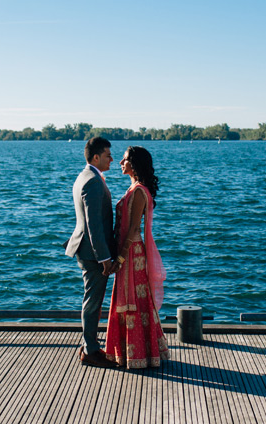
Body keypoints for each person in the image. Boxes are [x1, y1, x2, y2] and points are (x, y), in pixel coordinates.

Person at [104, 146, 170, 368]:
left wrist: (120, 259)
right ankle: (127, 351)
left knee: (134, 300)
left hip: (132, 254)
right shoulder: (132, 188)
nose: (120, 163)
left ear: (135, 164)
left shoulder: (140, 191)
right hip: (127, 252)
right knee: (127, 299)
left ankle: (140, 353)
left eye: (124, 160)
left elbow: (133, 230)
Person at [64, 136, 118, 368]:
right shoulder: (93, 182)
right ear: (96, 157)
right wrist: (104, 258)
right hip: (92, 252)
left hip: (86, 248)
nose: (112, 159)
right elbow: (94, 224)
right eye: (108, 155)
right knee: (93, 300)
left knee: (92, 299)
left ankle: (89, 344)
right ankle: (90, 350)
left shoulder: (84, 176)